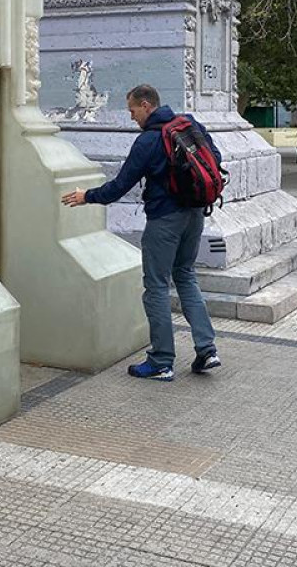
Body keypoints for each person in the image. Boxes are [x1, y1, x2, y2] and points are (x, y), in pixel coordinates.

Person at [61, 84, 220, 381]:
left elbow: (120, 186)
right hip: (196, 213)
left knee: (157, 286)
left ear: (146, 105)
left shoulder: (148, 141)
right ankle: (207, 349)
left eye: (133, 110)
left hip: (164, 220)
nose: (132, 116)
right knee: (185, 275)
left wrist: (87, 196)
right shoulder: (189, 125)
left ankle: (161, 361)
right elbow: (217, 160)